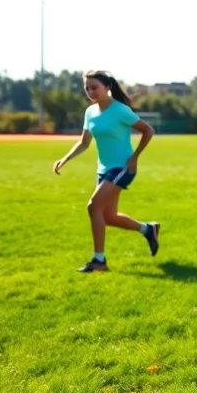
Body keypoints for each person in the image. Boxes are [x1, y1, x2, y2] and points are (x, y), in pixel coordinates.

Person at [53, 71, 159, 273]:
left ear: (107, 87)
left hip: (122, 167)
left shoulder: (120, 110)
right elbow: (84, 142)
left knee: (93, 207)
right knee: (108, 216)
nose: (90, 92)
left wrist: (134, 157)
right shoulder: (90, 112)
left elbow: (148, 130)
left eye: (94, 87)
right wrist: (65, 159)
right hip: (104, 169)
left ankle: (99, 260)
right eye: (87, 88)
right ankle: (148, 229)